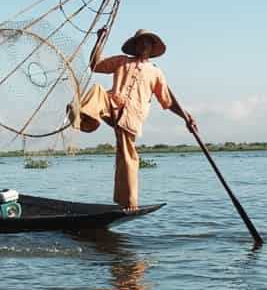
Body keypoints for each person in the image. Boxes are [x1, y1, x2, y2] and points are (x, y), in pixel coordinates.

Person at [69, 28, 195, 209]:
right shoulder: (122, 61)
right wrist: (100, 40)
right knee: (97, 90)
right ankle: (85, 120)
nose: (144, 45)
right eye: (140, 42)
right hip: (112, 105)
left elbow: (168, 101)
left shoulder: (155, 73)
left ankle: (128, 202)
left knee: (128, 158)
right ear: (135, 46)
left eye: (147, 43)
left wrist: (186, 117)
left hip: (131, 117)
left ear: (152, 48)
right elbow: (95, 65)